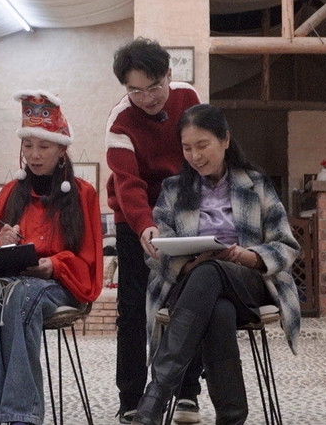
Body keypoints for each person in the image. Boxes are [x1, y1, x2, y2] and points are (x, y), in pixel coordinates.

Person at [134, 104, 301, 425]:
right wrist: (188, 265)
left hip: (248, 282)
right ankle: (232, 417)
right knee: (217, 308)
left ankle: (155, 398)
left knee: (211, 272)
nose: (195, 156)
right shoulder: (173, 190)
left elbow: (286, 245)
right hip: (190, 285)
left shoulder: (255, 184)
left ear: (225, 140)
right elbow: (155, 253)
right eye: (187, 148)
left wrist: (247, 256)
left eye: (202, 145)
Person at [0, 90, 103, 425]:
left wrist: (54, 265)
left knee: (19, 297)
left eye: (44, 146)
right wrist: (2, 242)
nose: (34, 155)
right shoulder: (11, 191)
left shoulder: (83, 193)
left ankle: (19, 416)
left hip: (56, 284)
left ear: (62, 149)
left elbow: (88, 259)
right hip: (9, 280)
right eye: (28, 145)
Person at [105, 38, 204, 423]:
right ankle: (131, 397)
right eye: (136, 90)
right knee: (132, 309)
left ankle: (187, 393)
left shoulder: (188, 98)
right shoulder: (120, 120)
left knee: (189, 300)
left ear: (169, 75)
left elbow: (200, 158)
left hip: (183, 215)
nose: (147, 98)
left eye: (154, 87)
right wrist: (145, 226)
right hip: (134, 219)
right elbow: (127, 184)